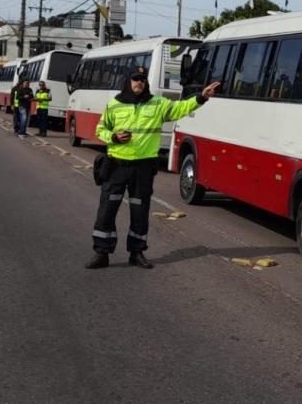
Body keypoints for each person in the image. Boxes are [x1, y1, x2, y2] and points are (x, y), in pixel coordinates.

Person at [86, 67, 220, 270]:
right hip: (116, 165)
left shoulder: (157, 103)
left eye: (142, 79)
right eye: (135, 79)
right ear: (127, 81)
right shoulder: (114, 104)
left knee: (140, 212)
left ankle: (137, 252)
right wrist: (113, 137)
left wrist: (201, 97)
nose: (139, 82)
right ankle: (101, 253)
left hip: (143, 168)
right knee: (106, 210)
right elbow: (100, 129)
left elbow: (180, 108)